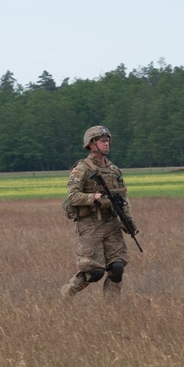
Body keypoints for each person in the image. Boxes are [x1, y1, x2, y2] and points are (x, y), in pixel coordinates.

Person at [61, 125, 135, 298]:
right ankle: (67, 293)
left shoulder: (113, 169)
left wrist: (128, 221)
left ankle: (112, 310)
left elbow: (123, 197)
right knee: (94, 272)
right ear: (91, 144)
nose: (106, 143)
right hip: (90, 225)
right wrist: (93, 197)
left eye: (107, 140)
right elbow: (72, 197)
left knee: (117, 268)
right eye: (102, 140)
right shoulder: (82, 168)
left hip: (112, 222)